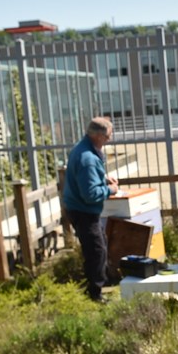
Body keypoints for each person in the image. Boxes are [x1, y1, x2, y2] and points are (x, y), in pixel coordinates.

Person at [63, 116, 119, 303]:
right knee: (96, 251)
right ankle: (95, 294)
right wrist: (110, 189)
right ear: (97, 136)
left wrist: (102, 178)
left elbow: (88, 181)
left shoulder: (84, 149)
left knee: (98, 246)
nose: (109, 139)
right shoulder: (87, 158)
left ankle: (97, 287)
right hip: (83, 210)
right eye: (108, 136)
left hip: (79, 208)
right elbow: (90, 194)